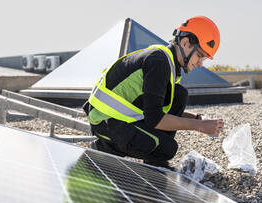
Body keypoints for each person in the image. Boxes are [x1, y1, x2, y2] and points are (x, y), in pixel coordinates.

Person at [83, 16, 224, 170]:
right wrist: (199, 126)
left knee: (179, 94)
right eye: (200, 55)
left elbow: (157, 107)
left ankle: (155, 159)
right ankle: (106, 147)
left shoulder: (166, 62)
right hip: (105, 122)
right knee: (168, 148)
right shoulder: (159, 62)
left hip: (114, 119)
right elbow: (155, 118)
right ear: (185, 43)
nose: (200, 63)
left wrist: (198, 119)